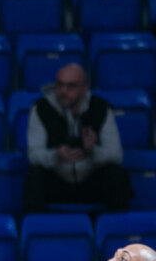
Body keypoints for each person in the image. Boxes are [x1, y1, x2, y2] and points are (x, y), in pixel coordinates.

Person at [24, 63, 132, 212]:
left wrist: (93, 151)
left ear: (84, 87)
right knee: (34, 176)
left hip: (91, 181)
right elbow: (34, 155)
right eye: (59, 85)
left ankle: (119, 230)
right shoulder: (41, 109)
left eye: (71, 86)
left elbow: (116, 155)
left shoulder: (101, 109)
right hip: (57, 180)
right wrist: (56, 155)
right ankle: (36, 229)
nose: (63, 91)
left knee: (116, 174)